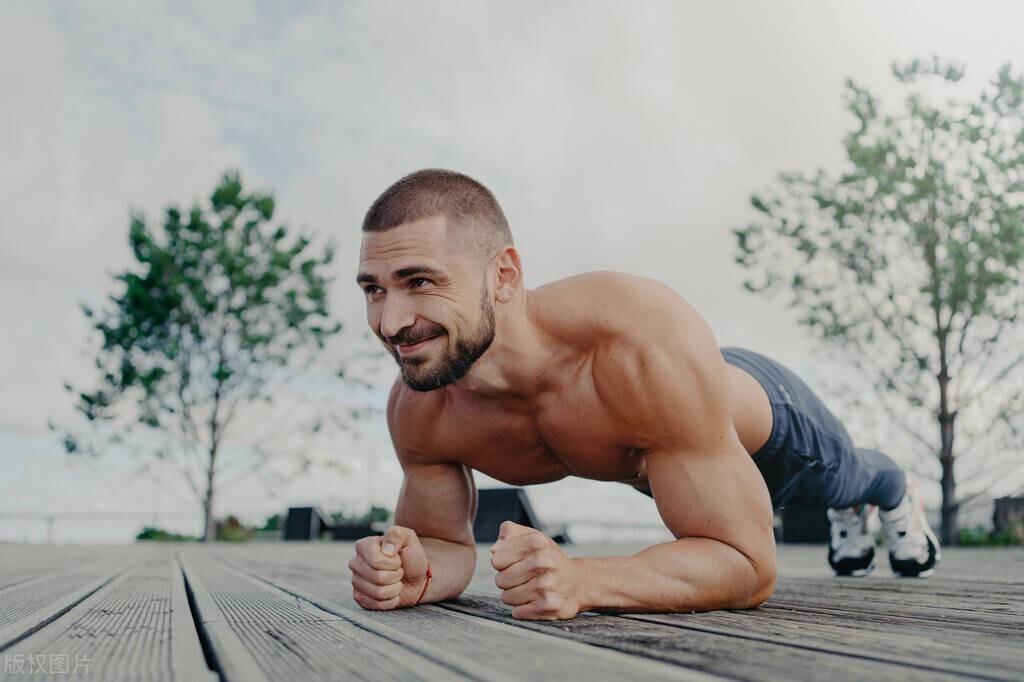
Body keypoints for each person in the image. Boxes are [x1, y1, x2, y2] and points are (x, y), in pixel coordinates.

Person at [348, 169, 941, 621]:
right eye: (373, 290)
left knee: (848, 478)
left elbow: (747, 565)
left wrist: (582, 580)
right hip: (681, 437)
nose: (392, 322)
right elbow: (444, 543)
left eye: (420, 282)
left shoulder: (635, 340)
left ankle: (889, 490)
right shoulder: (421, 404)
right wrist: (414, 573)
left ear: (502, 276)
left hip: (766, 425)